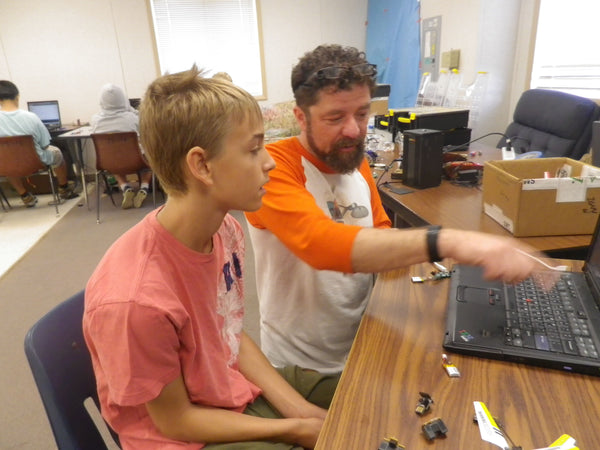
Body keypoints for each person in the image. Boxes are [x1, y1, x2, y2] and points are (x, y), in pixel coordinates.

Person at [244, 44, 545, 375]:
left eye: (361, 113)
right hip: (303, 367)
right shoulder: (271, 168)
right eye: (335, 118)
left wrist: (450, 287)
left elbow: (381, 236)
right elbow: (320, 244)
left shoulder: (351, 159)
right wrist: (449, 242)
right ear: (300, 117)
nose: (354, 130)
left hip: (363, 340)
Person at [83, 67, 338, 449]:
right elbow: (176, 422)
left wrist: (297, 407)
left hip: (225, 386)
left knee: (356, 393)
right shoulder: (136, 302)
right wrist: (293, 429)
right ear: (201, 165)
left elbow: (227, 331)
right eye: (253, 149)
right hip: (183, 435)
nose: (269, 162)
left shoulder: (225, 230)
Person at [0, 80, 77, 207]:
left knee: (6, 161)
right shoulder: (31, 117)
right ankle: (64, 188)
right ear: (17, 96)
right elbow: (45, 144)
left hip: (6, 165)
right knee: (57, 152)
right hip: (35, 162)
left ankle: (24, 195)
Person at [90, 83, 153, 209]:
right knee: (149, 159)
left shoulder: (95, 120)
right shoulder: (133, 118)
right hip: (136, 161)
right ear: (123, 99)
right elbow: (146, 132)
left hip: (110, 163)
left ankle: (125, 187)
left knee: (113, 160)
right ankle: (144, 188)